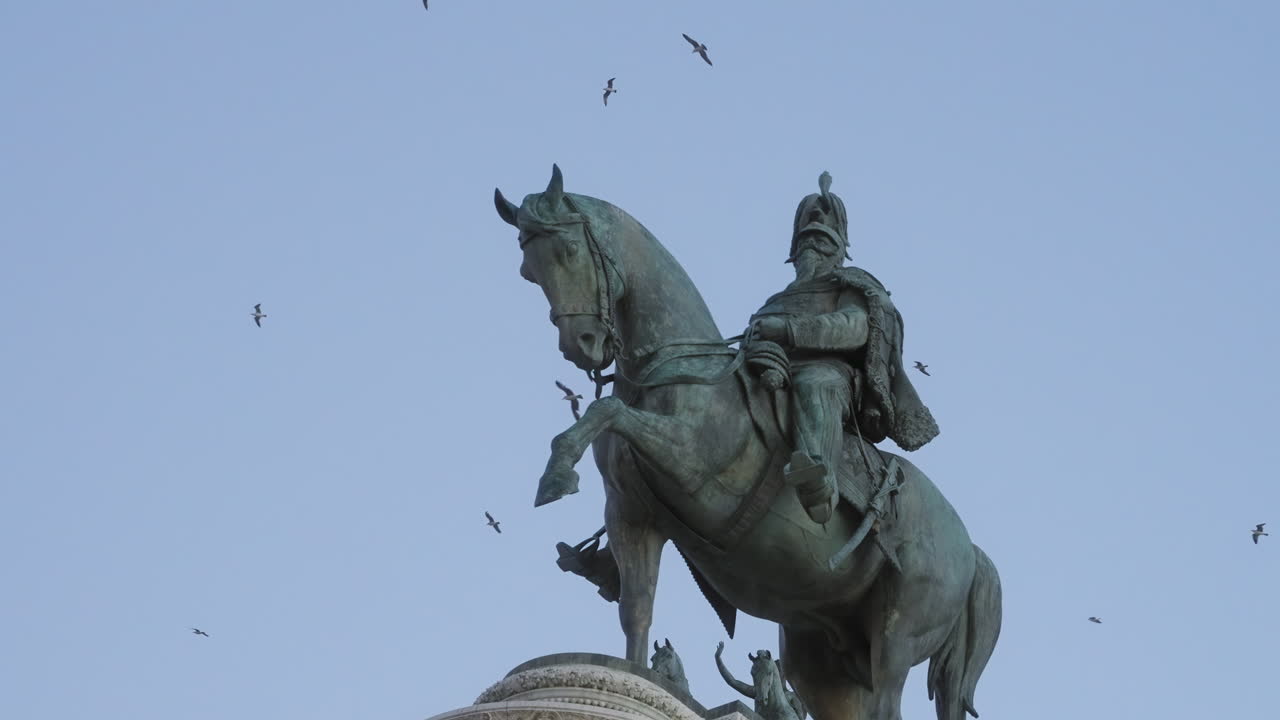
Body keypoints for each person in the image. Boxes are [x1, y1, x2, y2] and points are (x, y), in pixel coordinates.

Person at [747, 172, 938, 524]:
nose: (815, 226)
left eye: (824, 227)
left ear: (840, 244)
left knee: (815, 384)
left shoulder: (854, 283)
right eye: (807, 226)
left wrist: (788, 330)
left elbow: (854, 327)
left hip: (834, 377)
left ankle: (819, 481)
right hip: (770, 367)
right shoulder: (775, 300)